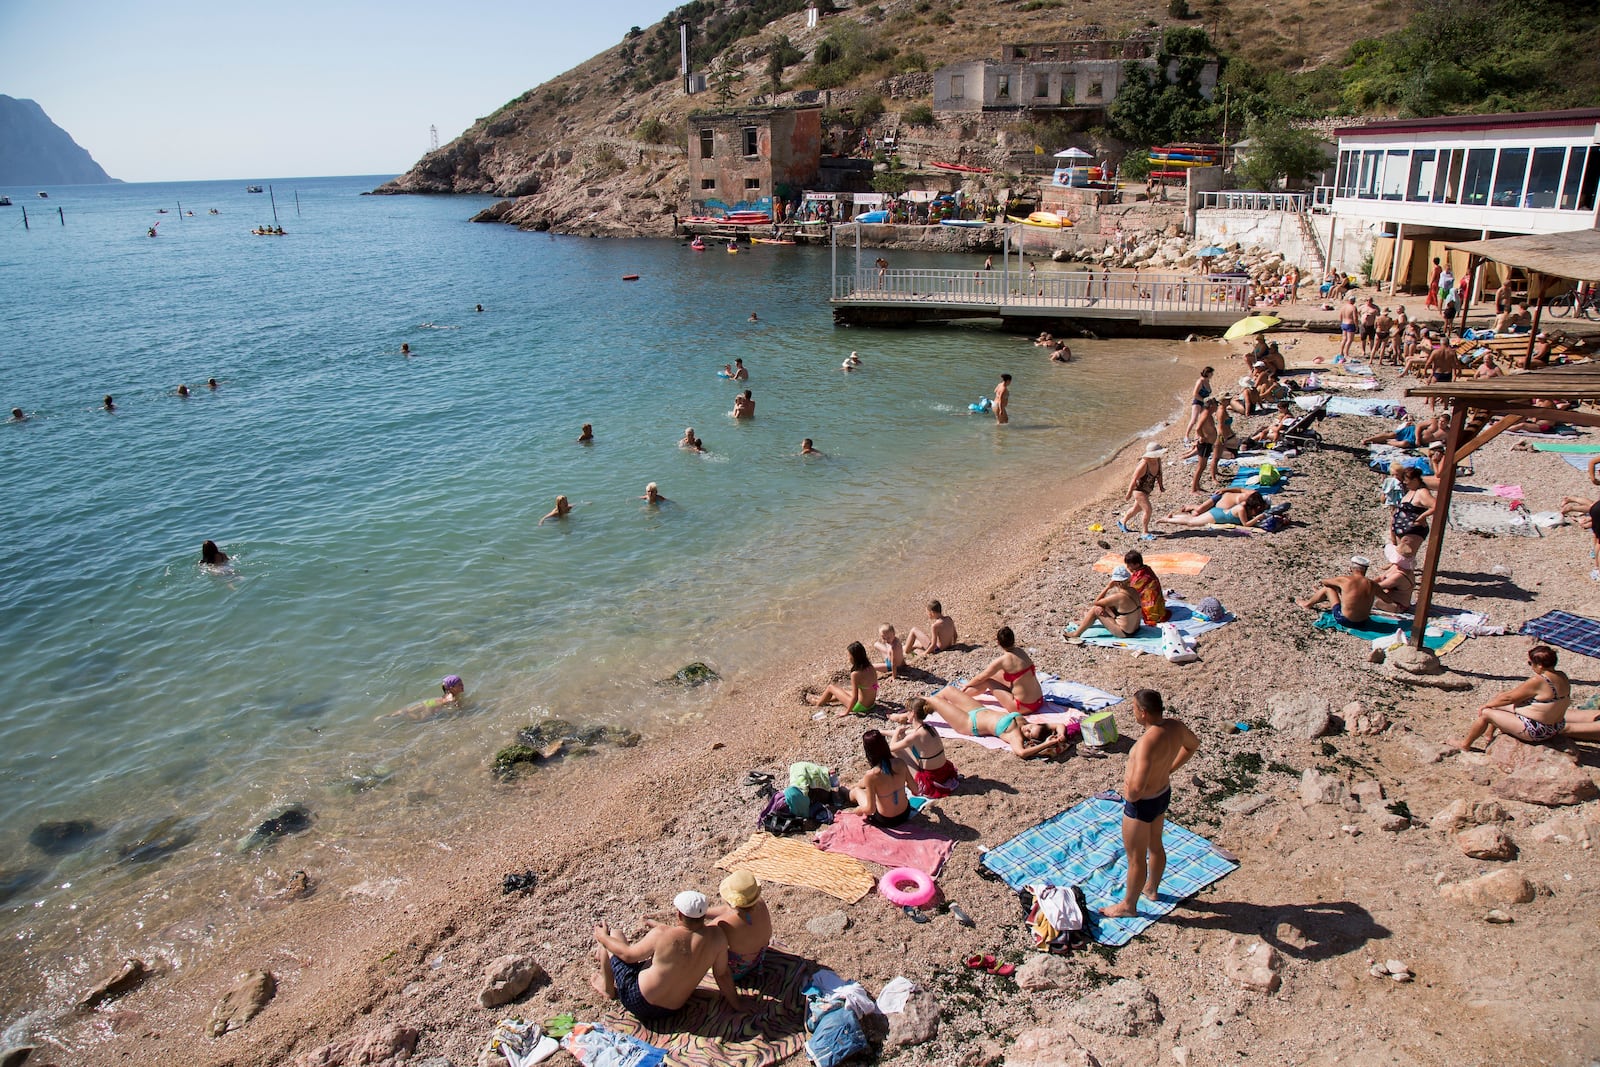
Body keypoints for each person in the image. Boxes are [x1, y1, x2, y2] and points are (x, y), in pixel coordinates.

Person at [1101, 690, 1199, 918]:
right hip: (1162, 793)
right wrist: (1170, 769)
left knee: (1135, 859)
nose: (1133, 712)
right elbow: (1193, 745)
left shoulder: (1146, 743)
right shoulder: (1175, 727)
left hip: (1142, 804)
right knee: (1156, 845)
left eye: (1134, 708)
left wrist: (1128, 794)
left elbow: (1136, 789)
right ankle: (1152, 889)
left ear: (1143, 713)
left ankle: (1128, 906)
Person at [591, 891, 746, 1021]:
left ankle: (608, 989)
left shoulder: (662, 934)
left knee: (614, 936)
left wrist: (602, 936)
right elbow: (722, 974)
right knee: (653, 961)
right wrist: (737, 1004)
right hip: (672, 1010)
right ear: (704, 915)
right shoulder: (717, 937)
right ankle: (604, 958)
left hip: (637, 1000)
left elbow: (629, 955)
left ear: (679, 914)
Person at [1456, 646, 1573, 750]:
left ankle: (1465, 745)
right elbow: (1511, 696)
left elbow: (1509, 698)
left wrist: (1487, 705)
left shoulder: (1538, 680)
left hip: (1537, 730)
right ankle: (1488, 735)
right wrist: (1497, 701)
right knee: (1498, 699)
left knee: (1486, 713)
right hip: (1556, 726)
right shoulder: (1562, 675)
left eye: (1530, 663)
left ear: (1539, 665)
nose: (1531, 666)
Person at [920, 687, 1068, 759]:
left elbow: (1021, 753)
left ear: (1030, 740)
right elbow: (1060, 725)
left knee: (935, 700)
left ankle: (911, 714)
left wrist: (1047, 744)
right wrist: (1060, 735)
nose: (1027, 729)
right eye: (1031, 728)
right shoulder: (1027, 723)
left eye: (1029, 734)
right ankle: (922, 711)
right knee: (948, 690)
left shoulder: (1015, 736)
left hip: (969, 723)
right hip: (978, 710)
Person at [962, 626, 1045, 715]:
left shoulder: (1003, 660)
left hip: (1022, 706)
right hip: (1039, 701)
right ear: (1013, 639)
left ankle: (961, 695)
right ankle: (967, 692)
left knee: (987, 681)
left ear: (998, 642)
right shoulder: (1021, 652)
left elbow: (980, 678)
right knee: (995, 675)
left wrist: (967, 685)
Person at [842, 729, 917, 828]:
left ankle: (844, 792)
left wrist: (859, 810)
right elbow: (915, 789)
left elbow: (870, 809)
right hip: (904, 814)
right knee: (869, 787)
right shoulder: (900, 763)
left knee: (856, 791)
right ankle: (853, 786)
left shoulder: (871, 775)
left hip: (886, 820)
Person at [707, 871, 771, 982]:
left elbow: (701, 935)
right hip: (759, 958)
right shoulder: (760, 903)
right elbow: (730, 910)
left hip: (738, 970)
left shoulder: (724, 923)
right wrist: (704, 913)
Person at [888, 698, 958, 798]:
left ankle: (905, 781)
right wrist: (882, 732)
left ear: (913, 713)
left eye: (907, 711)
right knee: (905, 743)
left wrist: (896, 732)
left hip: (932, 778)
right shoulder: (929, 728)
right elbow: (907, 734)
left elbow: (891, 748)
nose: (906, 714)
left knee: (896, 752)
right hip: (944, 771)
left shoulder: (915, 736)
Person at [1064, 565, 1145, 639]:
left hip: (1125, 633)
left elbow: (1096, 602)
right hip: (1136, 629)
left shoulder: (1118, 597)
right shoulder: (1133, 590)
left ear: (1117, 582)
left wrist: (1108, 587)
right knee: (1108, 607)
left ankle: (1076, 634)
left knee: (1095, 610)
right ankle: (1085, 622)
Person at [1296, 556, 1378, 625]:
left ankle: (1307, 604)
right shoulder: (1373, 584)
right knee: (1352, 594)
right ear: (1366, 570)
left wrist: (1339, 586)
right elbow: (1387, 599)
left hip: (1345, 620)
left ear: (1351, 568)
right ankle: (1323, 597)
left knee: (1328, 589)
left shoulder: (1345, 580)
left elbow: (1325, 582)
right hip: (1363, 622)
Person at [806, 641, 877, 716]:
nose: (848, 657)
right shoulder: (871, 667)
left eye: (849, 655)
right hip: (871, 704)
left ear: (854, 657)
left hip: (860, 707)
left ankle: (818, 703)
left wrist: (846, 712)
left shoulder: (855, 674)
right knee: (843, 691)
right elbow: (875, 685)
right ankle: (822, 698)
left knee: (830, 688)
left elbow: (855, 697)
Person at [1375, 523, 1427, 611]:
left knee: (1369, 600)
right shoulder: (1397, 567)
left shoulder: (1400, 575)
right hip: (1390, 599)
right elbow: (1380, 578)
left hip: (1397, 605)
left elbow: (1379, 587)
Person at [1119, 443, 1165, 539]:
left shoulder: (1158, 460)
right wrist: (1129, 494)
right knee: (1148, 510)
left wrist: (1161, 486)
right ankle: (1145, 532)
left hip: (1147, 490)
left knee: (1136, 509)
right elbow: (1134, 479)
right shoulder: (1144, 464)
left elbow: (1159, 474)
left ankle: (1122, 521)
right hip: (1139, 490)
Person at [1159, 490, 1269, 528]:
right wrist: (1258, 517)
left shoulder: (1244, 506)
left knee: (1193, 519)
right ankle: (1167, 520)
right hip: (1217, 516)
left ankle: (1173, 517)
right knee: (1191, 522)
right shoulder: (1241, 509)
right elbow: (1246, 524)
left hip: (1218, 513)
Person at [386, 674, 467, 721]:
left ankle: (387, 716)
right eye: (459, 685)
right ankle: (402, 717)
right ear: (451, 688)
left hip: (431, 701)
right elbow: (459, 708)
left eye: (462, 683)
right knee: (419, 718)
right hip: (431, 707)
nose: (462, 686)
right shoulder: (452, 698)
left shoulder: (447, 694)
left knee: (407, 710)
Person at [1123, 549, 1170, 626]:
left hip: (1150, 609)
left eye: (1129, 565)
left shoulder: (1141, 577)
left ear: (1137, 565)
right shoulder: (1146, 569)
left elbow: (1131, 591)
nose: (1128, 567)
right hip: (1157, 603)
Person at [1388, 466, 1435, 543]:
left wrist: (1422, 517)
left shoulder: (1422, 492)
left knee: (1403, 554)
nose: (1404, 482)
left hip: (1412, 532)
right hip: (1400, 531)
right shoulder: (1410, 491)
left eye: (1406, 480)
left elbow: (1436, 506)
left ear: (1415, 480)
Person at [1184, 400, 1219, 493]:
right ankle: (1193, 489)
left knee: (1202, 466)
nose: (1217, 406)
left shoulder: (1208, 414)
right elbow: (1198, 428)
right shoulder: (1206, 414)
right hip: (1205, 444)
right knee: (1201, 466)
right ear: (1211, 405)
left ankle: (1197, 486)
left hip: (1208, 444)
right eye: (1216, 405)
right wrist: (1202, 437)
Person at [1183, 367, 1214, 440]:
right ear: (1207, 373)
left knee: (1203, 419)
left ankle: (1198, 435)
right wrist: (1203, 400)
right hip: (1197, 401)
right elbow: (1195, 394)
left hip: (1205, 402)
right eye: (1211, 373)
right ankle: (1186, 436)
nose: (1212, 375)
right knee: (1194, 419)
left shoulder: (1207, 381)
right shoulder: (1200, 381)